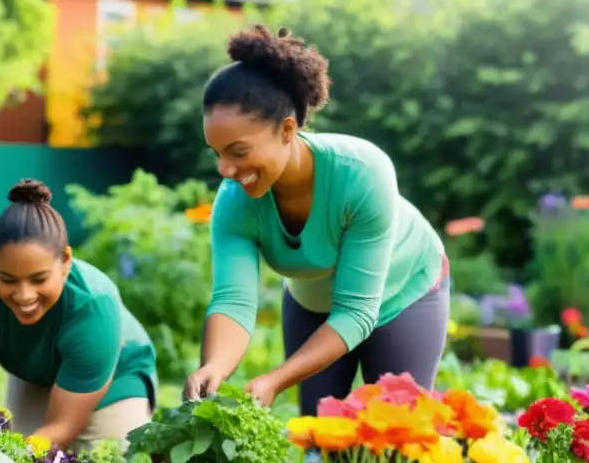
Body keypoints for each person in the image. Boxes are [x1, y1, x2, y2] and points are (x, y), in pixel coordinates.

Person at [185, 24, 448, 415]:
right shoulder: (234, 203)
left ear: (287, 129)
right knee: (320, 440)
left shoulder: (360, 172)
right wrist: (215, 366)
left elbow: (357, 312)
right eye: (217, 153)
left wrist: (275, 379)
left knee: (397, 438)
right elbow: (233, 299)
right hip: (313, 301)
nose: (226, 169)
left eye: (238, 151)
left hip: (405, 289)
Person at [0, 179, 156, 451]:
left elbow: (62, 427)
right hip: (38, 372)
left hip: (116, 375)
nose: (24, 295)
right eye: (7, 279)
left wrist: (16, 458)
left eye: (39, 279)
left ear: (66, 261)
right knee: (17, 454)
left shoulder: (92, 307)